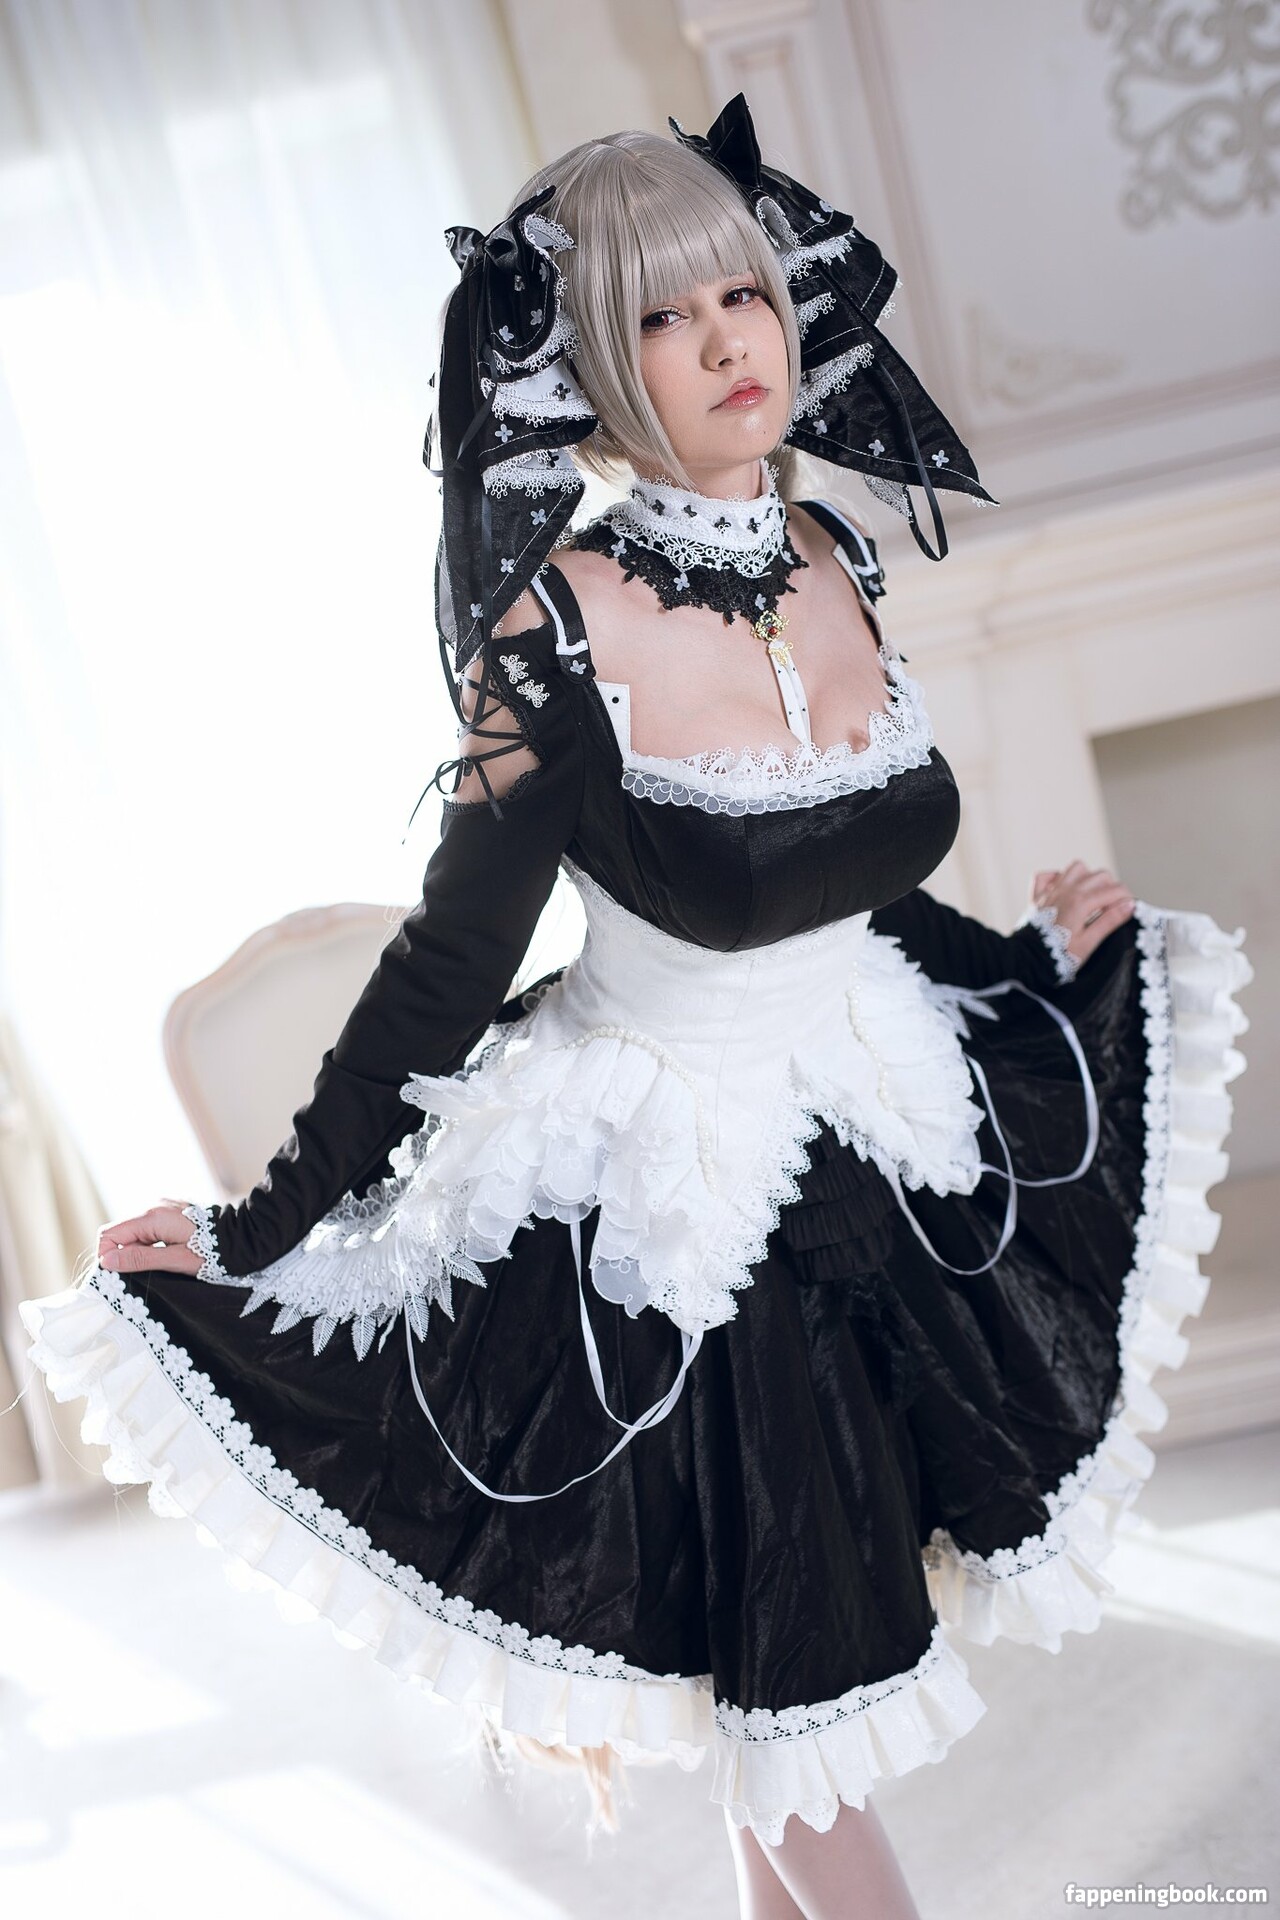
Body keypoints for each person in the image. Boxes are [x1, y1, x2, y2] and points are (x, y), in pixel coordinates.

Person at [20, 98, 1250, 1920]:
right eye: (665, 317)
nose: (730, 341)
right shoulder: (553, 633)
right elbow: (447, 967)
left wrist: (1028, 962)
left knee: (791, 1705)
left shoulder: (833, 551)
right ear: (595, 369)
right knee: (802, 1691)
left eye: (743, 293)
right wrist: (261, 1224)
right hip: (669, 1214)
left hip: (864, 1126)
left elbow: (847, 880)